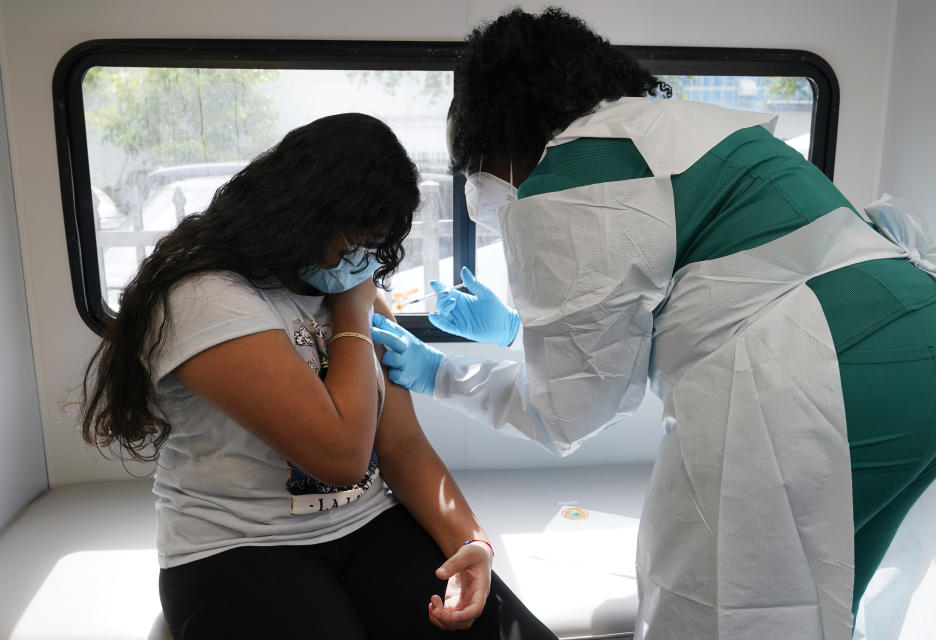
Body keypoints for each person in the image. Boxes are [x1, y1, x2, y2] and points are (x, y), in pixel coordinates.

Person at [370, 8, 936, 639]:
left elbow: (569, 416)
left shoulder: (566, 182)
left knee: (719, 617)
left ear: (496, 129)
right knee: (872, 594)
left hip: (822, 377)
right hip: (917, 342)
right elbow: (716, 287)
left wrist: (441, 375)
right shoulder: (686, 126)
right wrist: (513, 334)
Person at [79, 113, 557, 640]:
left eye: (373, 244)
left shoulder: (354, 288)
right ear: (297, 213)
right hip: (238, 547)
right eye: (350, 239)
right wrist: (354, 311)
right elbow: (339, 459)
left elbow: (401, 444)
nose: (360, 260)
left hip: (367, 526)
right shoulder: (204, 297)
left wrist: (470, 542)